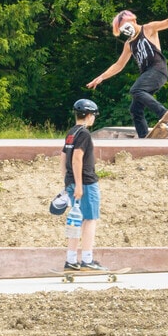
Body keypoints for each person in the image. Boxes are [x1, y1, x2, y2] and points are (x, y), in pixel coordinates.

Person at [86, 10, 168, 138]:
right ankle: (144, 137)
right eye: (122, 29)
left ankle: (164, 114)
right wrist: (101, 77)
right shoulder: (129, 44)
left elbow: (165, 23)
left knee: (136, 90)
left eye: (126, 26)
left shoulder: (148, 29)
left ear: (133, 20)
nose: (125, 31)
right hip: (147, 74)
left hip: (158, 69)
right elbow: (119, 65)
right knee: (135, 109)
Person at [60, 98, 106, 271]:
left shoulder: (71, 132)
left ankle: (71, 259)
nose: (94, 118)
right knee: (90, 220)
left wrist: (68, 181)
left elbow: (63, 156)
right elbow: (77, 157)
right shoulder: (84, 134)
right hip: (86, 182)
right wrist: (79, 184)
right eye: (93, 115)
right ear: (88, 115)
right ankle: (87, 259)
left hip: (72, 181)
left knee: (75, 221)